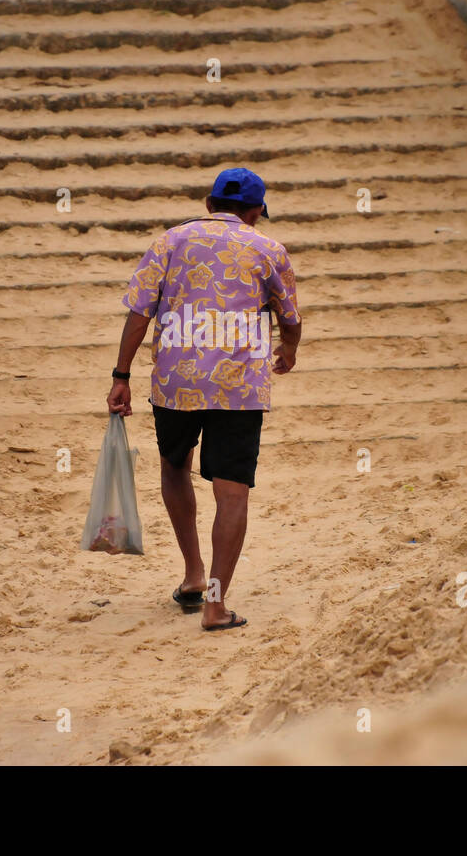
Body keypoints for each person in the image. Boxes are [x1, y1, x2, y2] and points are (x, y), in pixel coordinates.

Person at [107, 168, 302, 631]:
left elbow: (139, 315)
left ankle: (193, 574)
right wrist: (288, 349)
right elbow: (289, 315)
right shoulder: (268, 247)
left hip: (177, 379)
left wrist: (121, 375)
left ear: (209, 203)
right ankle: (215, 604)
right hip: (238, 388)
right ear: (254, 211)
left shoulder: (169, 241)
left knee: (175, 466)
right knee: (232, 489)